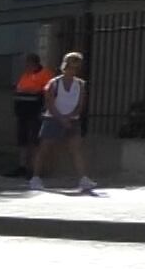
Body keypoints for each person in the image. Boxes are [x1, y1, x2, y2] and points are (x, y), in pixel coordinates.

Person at [31, 51, 98, 195]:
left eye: (76, 66)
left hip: (72, 120)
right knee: (44, 149)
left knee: (76, 149)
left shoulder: (80, 84)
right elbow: (49, 103)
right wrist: (60, 118)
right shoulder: (54, 83)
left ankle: (83, 179)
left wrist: (69, 117)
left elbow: (80, 105)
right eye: (71, 66)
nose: (73, 70)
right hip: (52, 119)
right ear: (65, 66)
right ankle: (35, 178)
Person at [11, 53, 54, 176]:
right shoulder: (26, 75)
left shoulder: (45, 74)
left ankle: (35, 169)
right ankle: (22, 166)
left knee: (35, 140)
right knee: (22, 140)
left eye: (27, 63)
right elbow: (20, 89)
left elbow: (48, 93)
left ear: (33, 63)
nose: (25, 66)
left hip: (36, 112)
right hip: (23, 112)